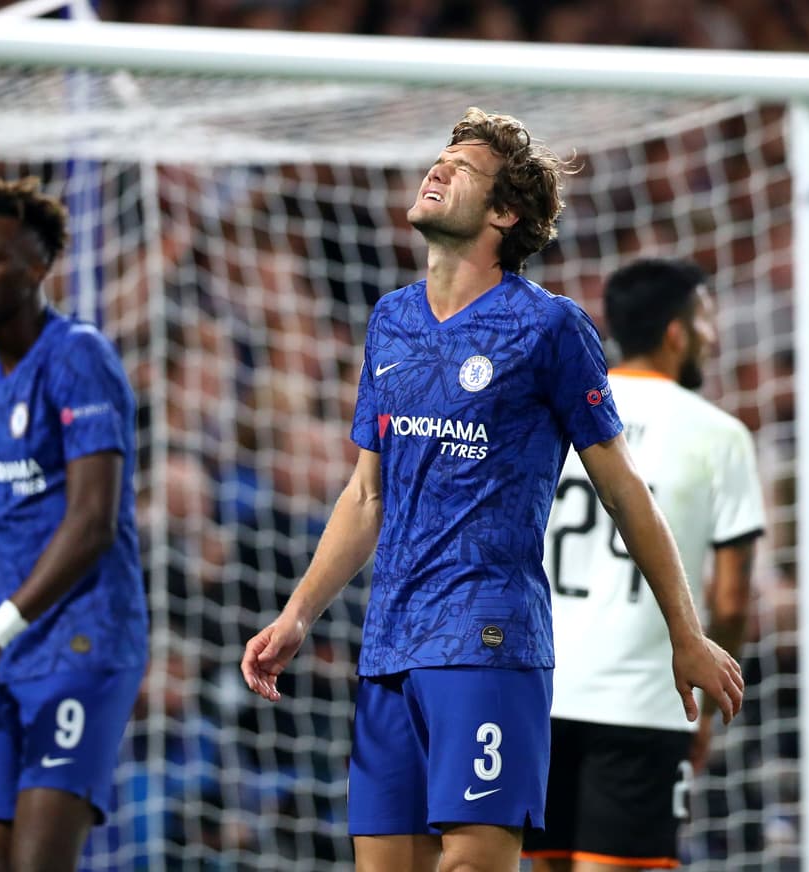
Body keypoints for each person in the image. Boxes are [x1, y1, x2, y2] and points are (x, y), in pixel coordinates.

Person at [240, 109, 744, 872]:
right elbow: (365, 496)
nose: (436, 171)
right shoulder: (392, 321)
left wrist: (684, 631)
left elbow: (624, 489)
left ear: (504, 213)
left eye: (461, 169)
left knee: (473, 865)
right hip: (389, 646)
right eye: (438, 160)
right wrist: (296, 615)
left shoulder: (549, 329)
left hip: (488, 640)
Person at [0, 176, 148, 872]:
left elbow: (93, 521)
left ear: (38, 267)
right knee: (0, 859)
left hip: (85, 642)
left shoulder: (79, 357)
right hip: (6, 648)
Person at [522, 258, 766, 871]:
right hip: (645, 704)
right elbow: (732, 600)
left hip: (535, 690)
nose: (714, 335)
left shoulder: (558, 411)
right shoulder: (720, 434)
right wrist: (710, 705)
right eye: (707, 319)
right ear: (677, 332)